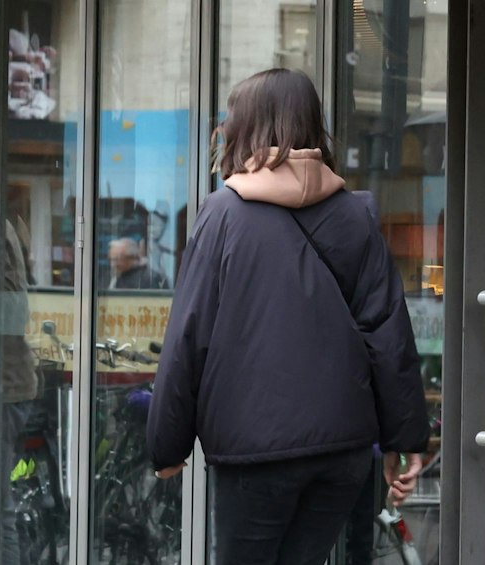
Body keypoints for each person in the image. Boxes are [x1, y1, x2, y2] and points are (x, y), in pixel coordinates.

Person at [148, 68, 429, 565]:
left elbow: (189, 336)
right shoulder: (356, 214)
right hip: (343, 453)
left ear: (248, 129)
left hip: (255, 454)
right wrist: (405, 441)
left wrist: (168, 447)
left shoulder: (223, 215)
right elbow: (389, 332)